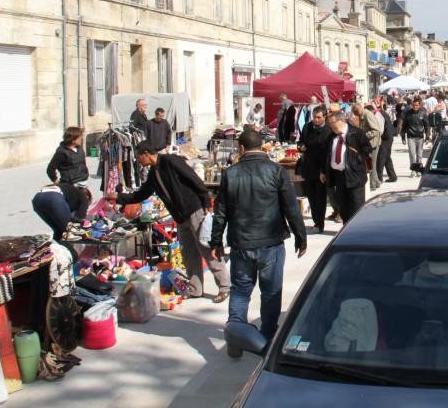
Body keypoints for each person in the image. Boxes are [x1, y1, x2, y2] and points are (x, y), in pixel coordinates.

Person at [210, 130, 306, 353]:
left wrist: (216, 242)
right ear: (262, 147)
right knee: (271, 293)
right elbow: (291, 207)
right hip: (270, 242)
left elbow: (220, 211)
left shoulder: (230, 173)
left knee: (241, 291)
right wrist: (300, 236)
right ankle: (267, 339)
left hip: (242, 243)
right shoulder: (276, 170)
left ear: (241, 149)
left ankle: (236, 339)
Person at [107, 140, 230, 302]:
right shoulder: (153, 173)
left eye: (139, 157)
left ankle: (224, 286)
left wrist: (206, 201)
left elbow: (194, 179)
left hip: (194, 210)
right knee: (188, 253)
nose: (139, 161)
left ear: (146, 154)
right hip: (180, 217)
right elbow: (141, 194)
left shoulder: (171, 161)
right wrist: (119, 197)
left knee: (205, 248)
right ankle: (195, 288)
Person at [320, 111, 372, 223]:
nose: (331, 125)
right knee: (343, 207)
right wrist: (323, 171)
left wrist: (356, 156)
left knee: (356, 206)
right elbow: (326, 155)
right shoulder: (331, 136)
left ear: (342, 120)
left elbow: (368, 151)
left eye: (332, 122)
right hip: (338, 176)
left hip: (354, 174)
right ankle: (346, 229)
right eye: (329, 123)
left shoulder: (357, 133)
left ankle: (357, 231)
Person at [297, 106, 331, 232]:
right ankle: (316, 220)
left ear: (324, 117)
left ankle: (319, 223)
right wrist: (301, 147)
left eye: (319, 117)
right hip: (308, 167)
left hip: (321, 169)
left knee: (320, 198)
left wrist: (324, 170)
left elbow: (327, 153)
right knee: (311, 196)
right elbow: (300, 141)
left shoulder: (328, 130)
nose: (316, 120)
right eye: (314, 117)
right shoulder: (307, 127)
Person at [353, 103, 382, 190]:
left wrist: (364, 136)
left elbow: (376, 130)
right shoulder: (363, 115)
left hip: (373, 143)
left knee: (371, 164)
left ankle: (373, 184)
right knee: (372, 163)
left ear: (358, 111)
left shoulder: (367, 115)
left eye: (356, 114)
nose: (356, 116)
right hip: (370, 143)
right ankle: (376, 182)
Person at [401, 99, 428, 177]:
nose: (415, 107)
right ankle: (413, 169)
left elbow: (426, 126)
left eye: (416, 105)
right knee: (412, 154)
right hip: (411, 137)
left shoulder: (423, 113)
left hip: (420, 137)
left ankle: (419, 170)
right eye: (413, 105)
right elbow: (404, 126)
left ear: (419, 105)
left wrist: (427, 137)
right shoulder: (408, 114)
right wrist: (403, 137)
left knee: (419, 155)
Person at [375, 100, 398, 183]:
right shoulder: (382, 112)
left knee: (381, 157)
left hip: (386, 137)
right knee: (387, 157)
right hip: (389, 136)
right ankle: (392, 176)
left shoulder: (379, 114)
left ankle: (379, 177)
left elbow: (380, 128)